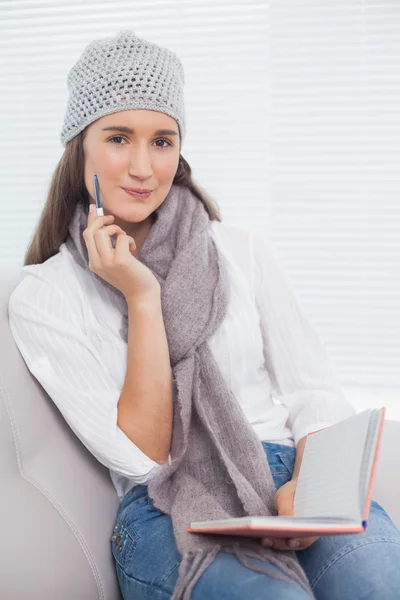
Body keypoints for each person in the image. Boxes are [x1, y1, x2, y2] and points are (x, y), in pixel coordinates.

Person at [8, 29, 400, 600]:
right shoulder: (46, 295)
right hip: (168, 506)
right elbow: (144, 458)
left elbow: (314, 393)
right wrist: (142, 300)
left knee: (376, 581)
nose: (143, 166)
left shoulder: (240, 250)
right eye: (119, 137)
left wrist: (310, 491)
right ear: (80, 148)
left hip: (286, 479)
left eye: (162, 141)